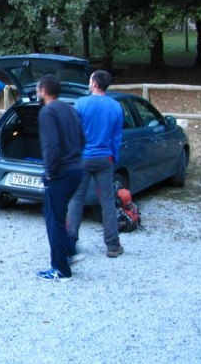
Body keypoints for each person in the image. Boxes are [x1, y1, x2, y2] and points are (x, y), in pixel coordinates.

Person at [67, 70, 124, 259]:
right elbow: (116, 137)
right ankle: (113, 246)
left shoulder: (81, 103)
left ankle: (70, 244)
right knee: (107, 201)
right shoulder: (115, 106)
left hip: (83, 158)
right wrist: (113, 156)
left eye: (90, 80)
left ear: (94, 83)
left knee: (76, 199)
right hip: (104, 159)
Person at [36, 74, 84, 281]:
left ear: (44, 91)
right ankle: (70, 250)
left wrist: (49, 172)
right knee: (57, 212)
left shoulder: (47, 112)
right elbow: (82, 139)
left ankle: (60, 269)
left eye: (38, 89)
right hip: (76, 170)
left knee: (53, 220)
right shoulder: (70, 109)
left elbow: (51, 146)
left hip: (60, 173)